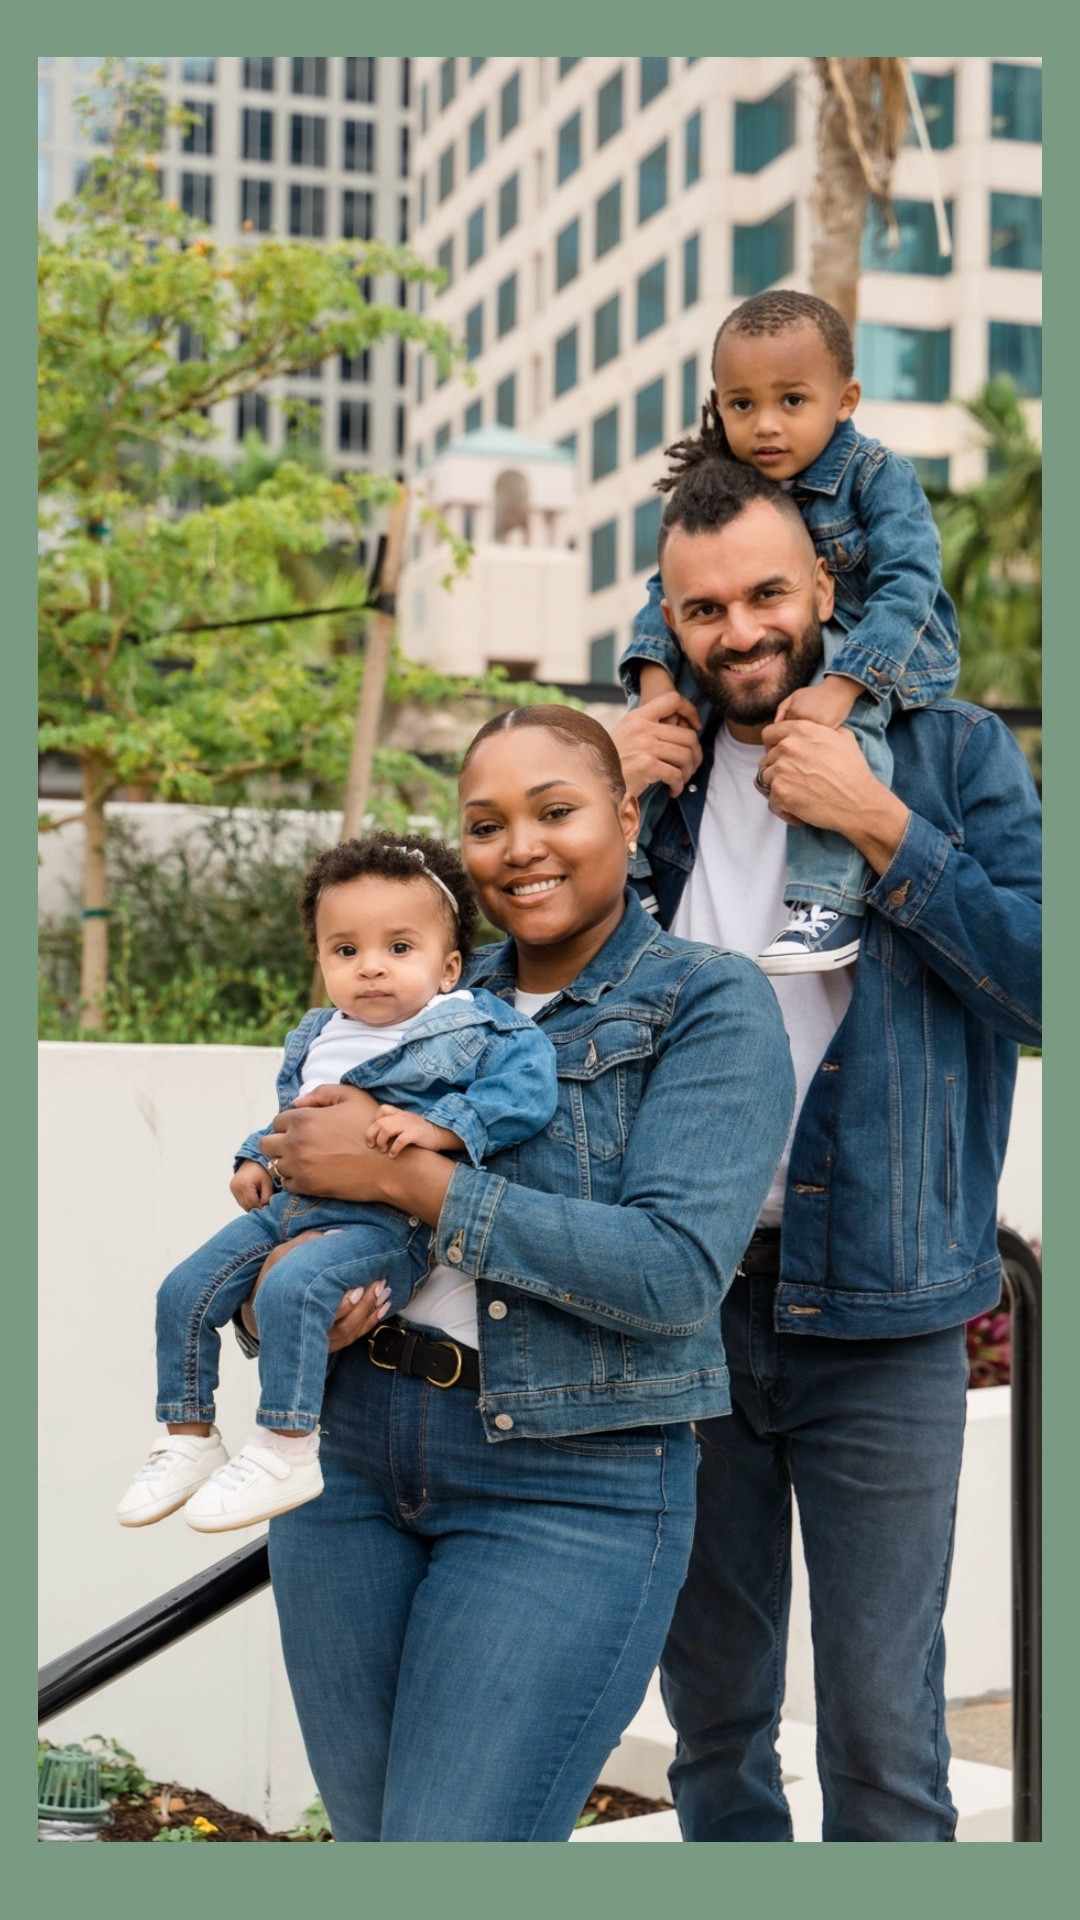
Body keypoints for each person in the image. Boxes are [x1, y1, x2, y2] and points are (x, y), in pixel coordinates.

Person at [243, 706, 794, 1842]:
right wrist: (284, 1296)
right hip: (344, 1462)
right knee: (375, 1839)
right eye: (486, 825)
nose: (521, 847)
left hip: (570, 1487)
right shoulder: (416, 995)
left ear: (626, 817)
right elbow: (300, 1205)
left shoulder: (708, 1000)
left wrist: (418, 1189)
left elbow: (674, 1274)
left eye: (556, 811)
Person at [613, 455, 1042, 1842]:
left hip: (888, 1311)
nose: (738, 631)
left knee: (881, 1742)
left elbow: (1042, 978)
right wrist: (602, 811)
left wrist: (879, 823)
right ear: (663, 623)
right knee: (716, 1732)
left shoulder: (955, 754)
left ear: (826, 587)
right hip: (679, 1314)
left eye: (765, 594)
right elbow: (494, 989)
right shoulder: (642, 779)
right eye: (701, 610)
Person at [117, 832, 558, 1535]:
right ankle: (188, 1437)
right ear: (322, 959)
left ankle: (287, 1446)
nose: (371, 969)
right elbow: (293, 1117)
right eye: (346, 951)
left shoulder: (468, 1025)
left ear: (448, 968)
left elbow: (529, 1087)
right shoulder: (318, 1035)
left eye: (399, 949)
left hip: (382, 1225)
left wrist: (447, 1128)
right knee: (184, 1290)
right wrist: (254, 1159)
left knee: (292, 1288)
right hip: (290, 1207)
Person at [623, 289, 960, 974]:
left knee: (832, 739)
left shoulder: (875, 475)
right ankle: (633, 879)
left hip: (886, 650)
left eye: (792, 401)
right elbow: (668, 590)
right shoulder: (729, 487)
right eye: (743, 405)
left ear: (845, 399)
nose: (766, 426)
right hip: (803, 657)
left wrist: (842, 688)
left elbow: (910, 583)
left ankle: (825, 904)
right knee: (653, 737)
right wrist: (655, 688)